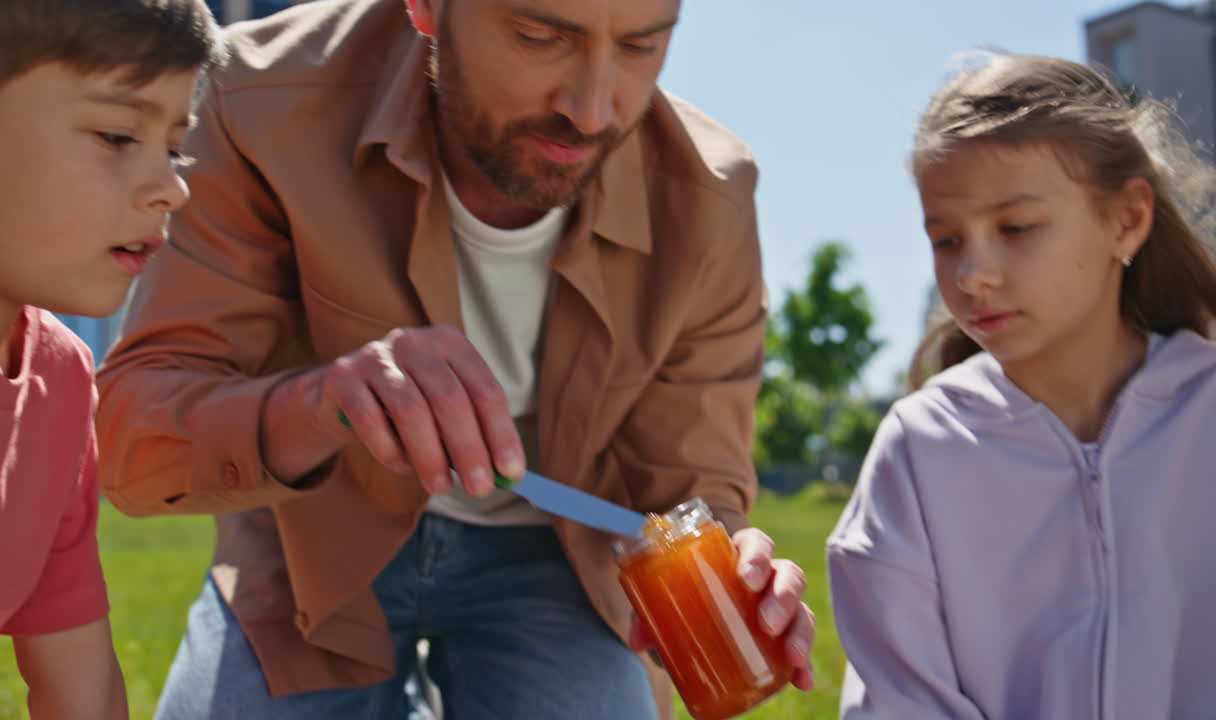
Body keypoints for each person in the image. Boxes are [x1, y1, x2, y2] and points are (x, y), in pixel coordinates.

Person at [95, 0, 816, 718]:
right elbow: (135, 444)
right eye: (539, 37)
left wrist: (736, 560)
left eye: (640, 46)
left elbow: (691, 487)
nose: (594, 112)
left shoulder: (709, 194)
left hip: (558, 559)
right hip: (312, 542)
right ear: (426, 8)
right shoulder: (260, 97)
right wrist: (320, 403)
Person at [827, 53, 1216, 719]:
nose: (973, 272)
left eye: (1016, 228)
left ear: (1126, 220)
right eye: (946, 239)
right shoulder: (920, 450)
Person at [0, 1, 224, 718]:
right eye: (118, 135)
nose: (172, 186)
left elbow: (83, 692)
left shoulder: (59, 381)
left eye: (175, 147)